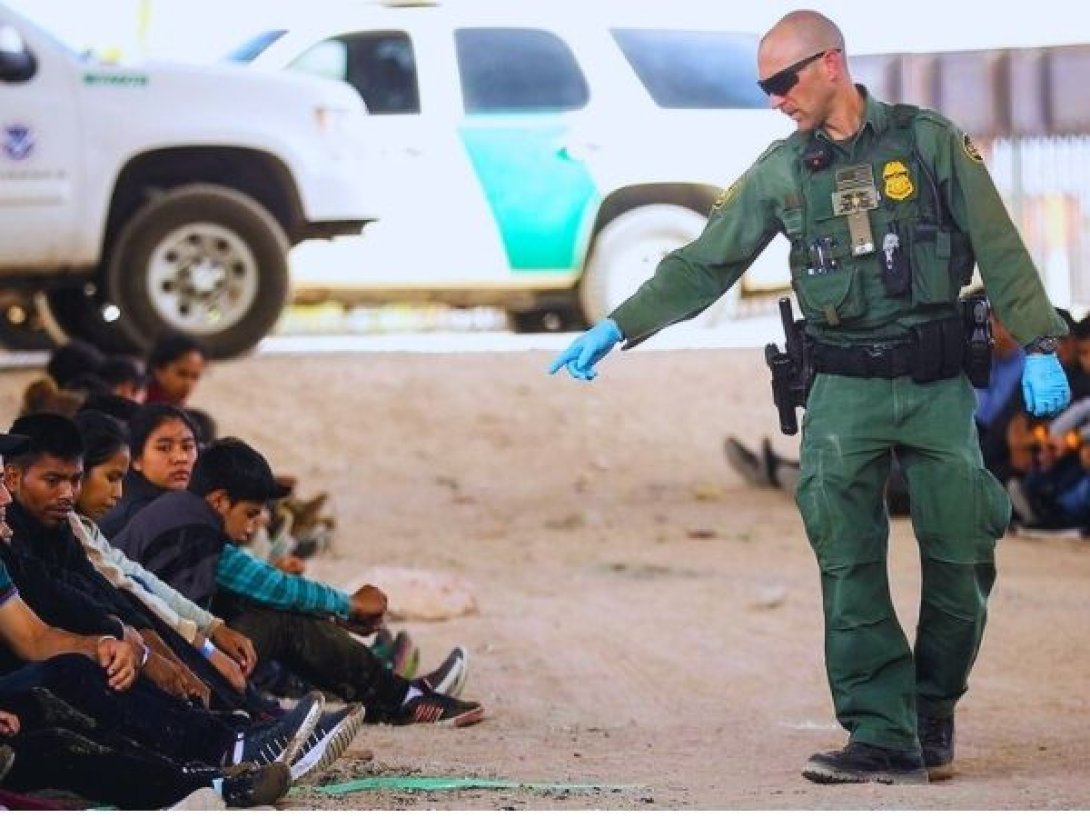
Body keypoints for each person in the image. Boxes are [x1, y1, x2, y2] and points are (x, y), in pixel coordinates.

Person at [550, 10, 1071, 785]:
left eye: (782, 81)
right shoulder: (784, 170)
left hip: (934, 385)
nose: (774, 100)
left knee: (963, 552)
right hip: (842, 390)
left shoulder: (929, 142)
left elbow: (997, 243)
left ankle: (930, 710)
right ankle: (882, 733)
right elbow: (704, 264)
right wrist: (620, 326)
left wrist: (1039, 344)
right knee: (847, 558)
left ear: (831, 64)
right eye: (763, 87)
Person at [114, 437, 482, 727]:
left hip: (160, 659)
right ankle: (399, 697)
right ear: (220, 501)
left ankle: (397, 693)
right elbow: (275, 586)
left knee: (271, 609)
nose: (255, 525)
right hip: (167, 672)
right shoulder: (192, 526)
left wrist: (337, 614)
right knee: (282, 617)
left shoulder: (177, 513)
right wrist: (349, 604)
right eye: (251, 513)